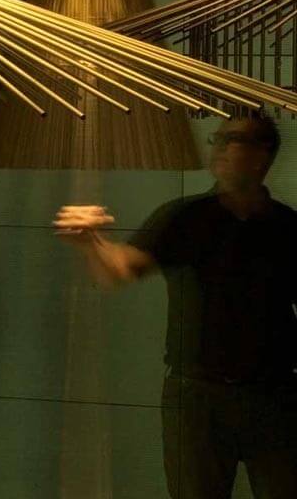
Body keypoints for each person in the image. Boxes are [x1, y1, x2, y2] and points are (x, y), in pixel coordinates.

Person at [55, 113, 297, 499]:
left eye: (232, 139)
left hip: (275, 395)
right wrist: (91, 242)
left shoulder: (287, 227)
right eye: (218, 139)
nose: (219, 148)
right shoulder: (186, 217)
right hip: (196, 395)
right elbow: (120, 271)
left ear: (262, 155)